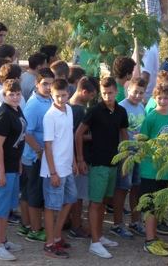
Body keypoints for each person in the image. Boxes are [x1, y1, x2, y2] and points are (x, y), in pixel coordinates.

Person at [75, 77, 128, 259]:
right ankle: (95, 242)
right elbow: (78, 134)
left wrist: (125, 160)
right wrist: (80, 159)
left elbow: (124, 136)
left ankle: (99, 235)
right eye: (104, 93)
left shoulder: (121, 111)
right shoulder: (94, 110)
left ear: (116, 92)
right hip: (97, 164)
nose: (107, 96)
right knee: (95, 202)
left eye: (110, 93)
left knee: (104, 201)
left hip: (114, 163)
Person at [0, 79, 26, 261]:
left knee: (6, 207)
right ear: (4, 95)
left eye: (18, 94)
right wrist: (1, 172)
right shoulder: (3, 114)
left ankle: (3, 240)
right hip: (0, 168)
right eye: (11, 94)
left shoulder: (16, 110)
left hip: (12, 166)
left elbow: (18, 139)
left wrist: (18, 162)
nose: (15, 97)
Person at [140, 85, 168, 257]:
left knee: (161, 204)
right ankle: (149, 241)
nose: (163, 101)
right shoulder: (150, 118)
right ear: (154, 98)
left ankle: (155, 237)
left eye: (166, 98)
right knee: (150, 205)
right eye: (160, 98)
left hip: (167, 168)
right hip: (150, 169)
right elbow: (142, 141)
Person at [41, 79, 77, 259]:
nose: (61, 99)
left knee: (70, 199)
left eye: (64, 95)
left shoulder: (69, 109)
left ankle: (56, 236)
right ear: (51, 95)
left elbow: (69, 138)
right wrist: (53, 172)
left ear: (68, 94)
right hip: (54, 170)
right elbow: (48, 146)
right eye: (57, 96)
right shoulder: (50, 116)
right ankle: (49, 244)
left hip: (67, 167)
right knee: (51, 206)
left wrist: (74, 161)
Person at [20, 68, 55, 243]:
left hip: (41, 156)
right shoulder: (34, 105)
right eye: (45, 84)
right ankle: (34, 229)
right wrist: (39, 151)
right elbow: (26, 132)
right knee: (34, 192)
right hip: (34, 157)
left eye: (51, 84)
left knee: (29, 191)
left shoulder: (50, 100)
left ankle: (25, 225)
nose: (48, 87)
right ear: (36, 83)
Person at [112, 75, 148, 239]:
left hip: (139, 153)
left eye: (141, 93)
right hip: (125, 154)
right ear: (128, 89)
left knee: (136, 187)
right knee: (122, 188)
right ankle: (117, 223)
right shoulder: (121, 107)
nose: (138, 95)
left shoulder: (141, 107)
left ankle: (135, 221)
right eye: (135, 92)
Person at [67, 76, 97, 239]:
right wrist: (95, 135)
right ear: (84, 92)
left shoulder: (68, 106)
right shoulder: (79, 110)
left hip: (70, 157)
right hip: (79, 157)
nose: (91, 99)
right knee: (78, 195)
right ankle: (76, 225)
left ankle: (70, 221)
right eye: (91, 95)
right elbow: (75, 135)